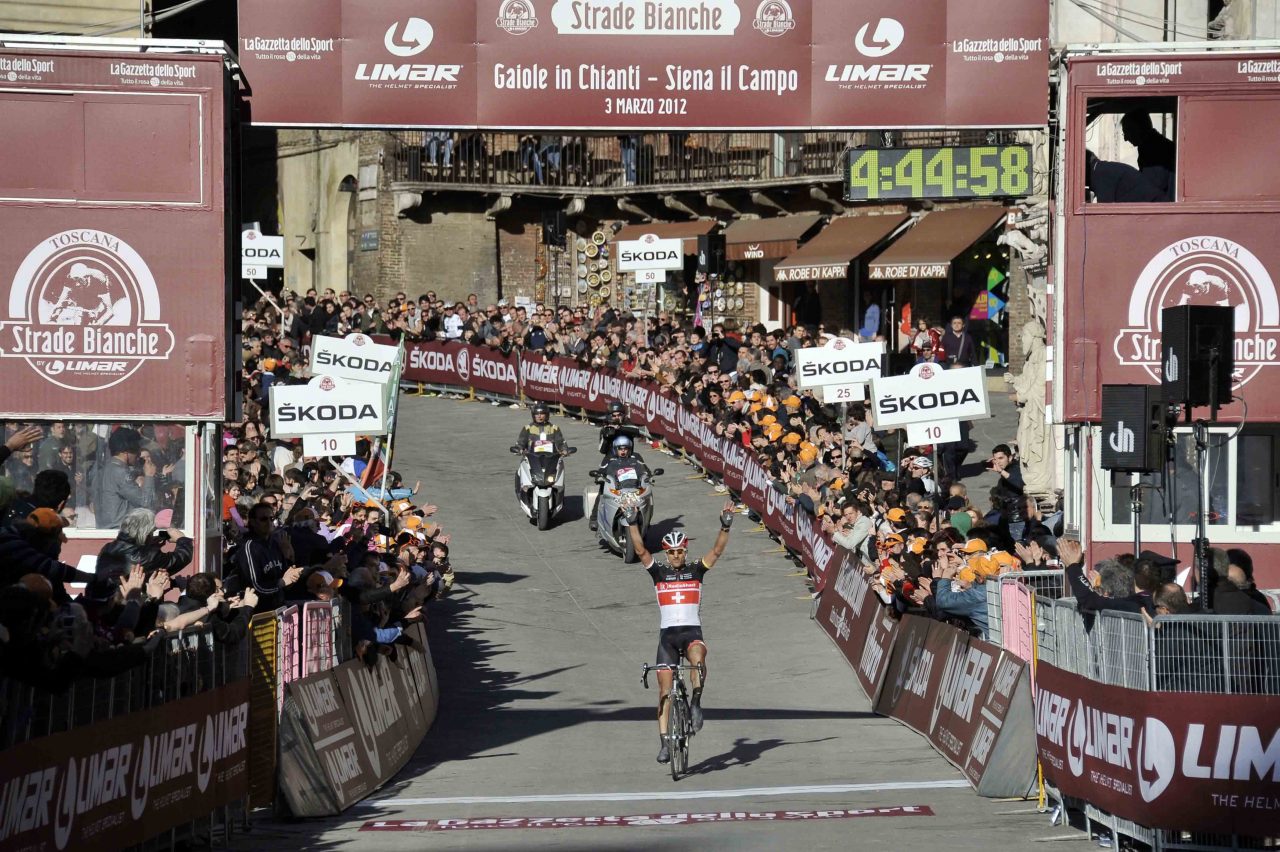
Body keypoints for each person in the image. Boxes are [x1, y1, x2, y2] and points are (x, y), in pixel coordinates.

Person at [623, 500, 735, 764]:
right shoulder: (659, 573)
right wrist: (631, 522)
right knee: (663, 691)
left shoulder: (696, 570)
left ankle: (695, 703)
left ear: (685, 552)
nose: (675, 556)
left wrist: (725, 526)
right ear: (665, 554)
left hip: (691, 632)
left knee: (698, 659)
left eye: (679, 552)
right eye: (671, 552)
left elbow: (716, 552)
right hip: (668, 638)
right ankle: (664, 743)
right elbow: (639, 550)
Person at [96, 428, 156, 528]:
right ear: (126, 452)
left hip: (103, 527)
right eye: (137, 451)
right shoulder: (121, 472)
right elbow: (145, 503)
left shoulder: (103, 470)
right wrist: (149, 476)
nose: (138, 455)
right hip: (119, 530)